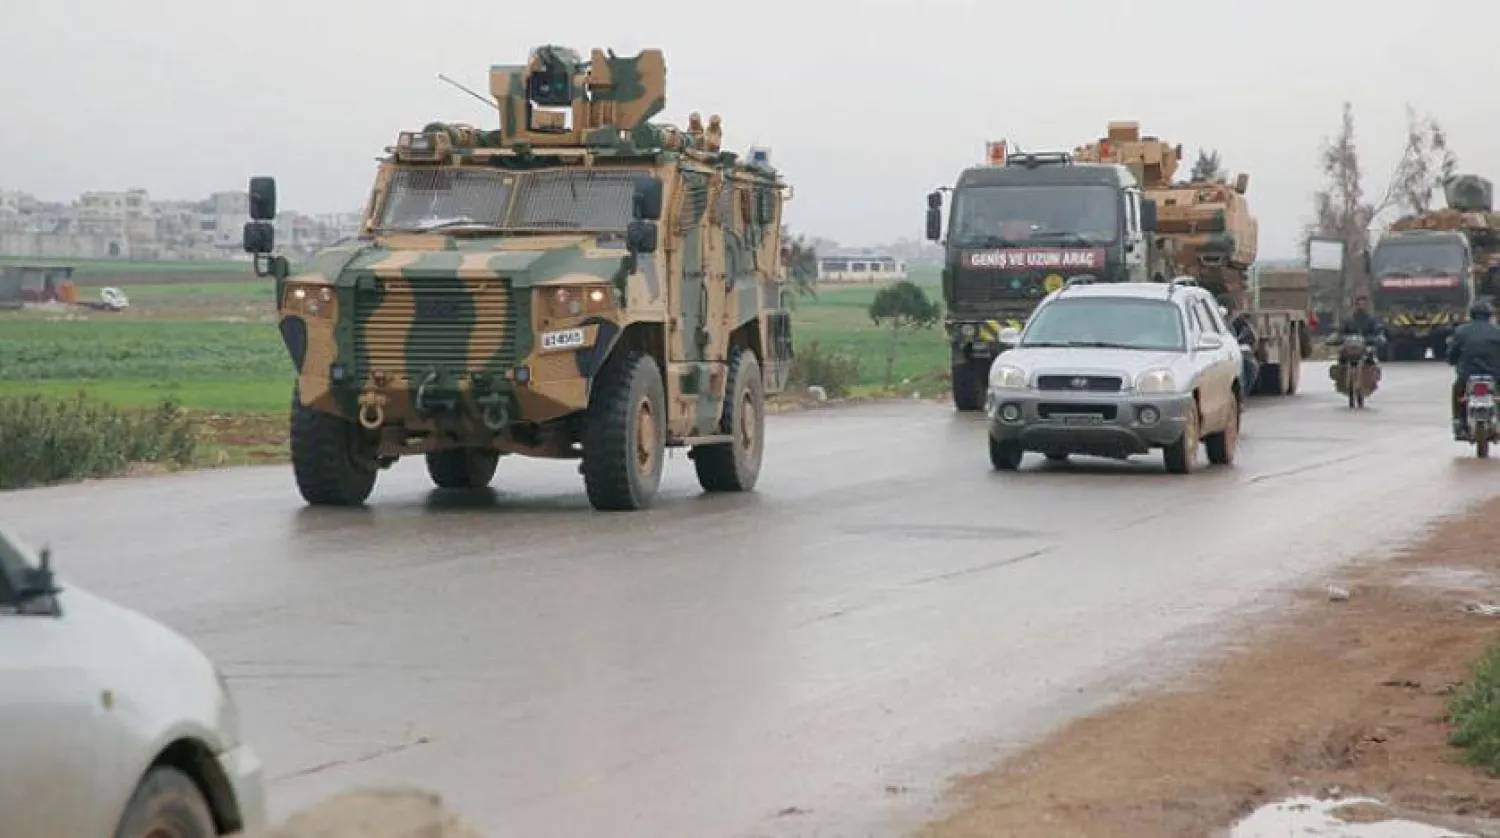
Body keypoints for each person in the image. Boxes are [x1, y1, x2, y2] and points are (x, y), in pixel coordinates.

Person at [1446, 300, 1500, 439]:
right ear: (1489, 315)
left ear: (1471, 315)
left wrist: (1451, 361)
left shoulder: (1461, 331)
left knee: (1457, 391)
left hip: (1467, 375)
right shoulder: (1497, 331)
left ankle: (1458, 423)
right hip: (1495, 375)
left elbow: (1452, 353)